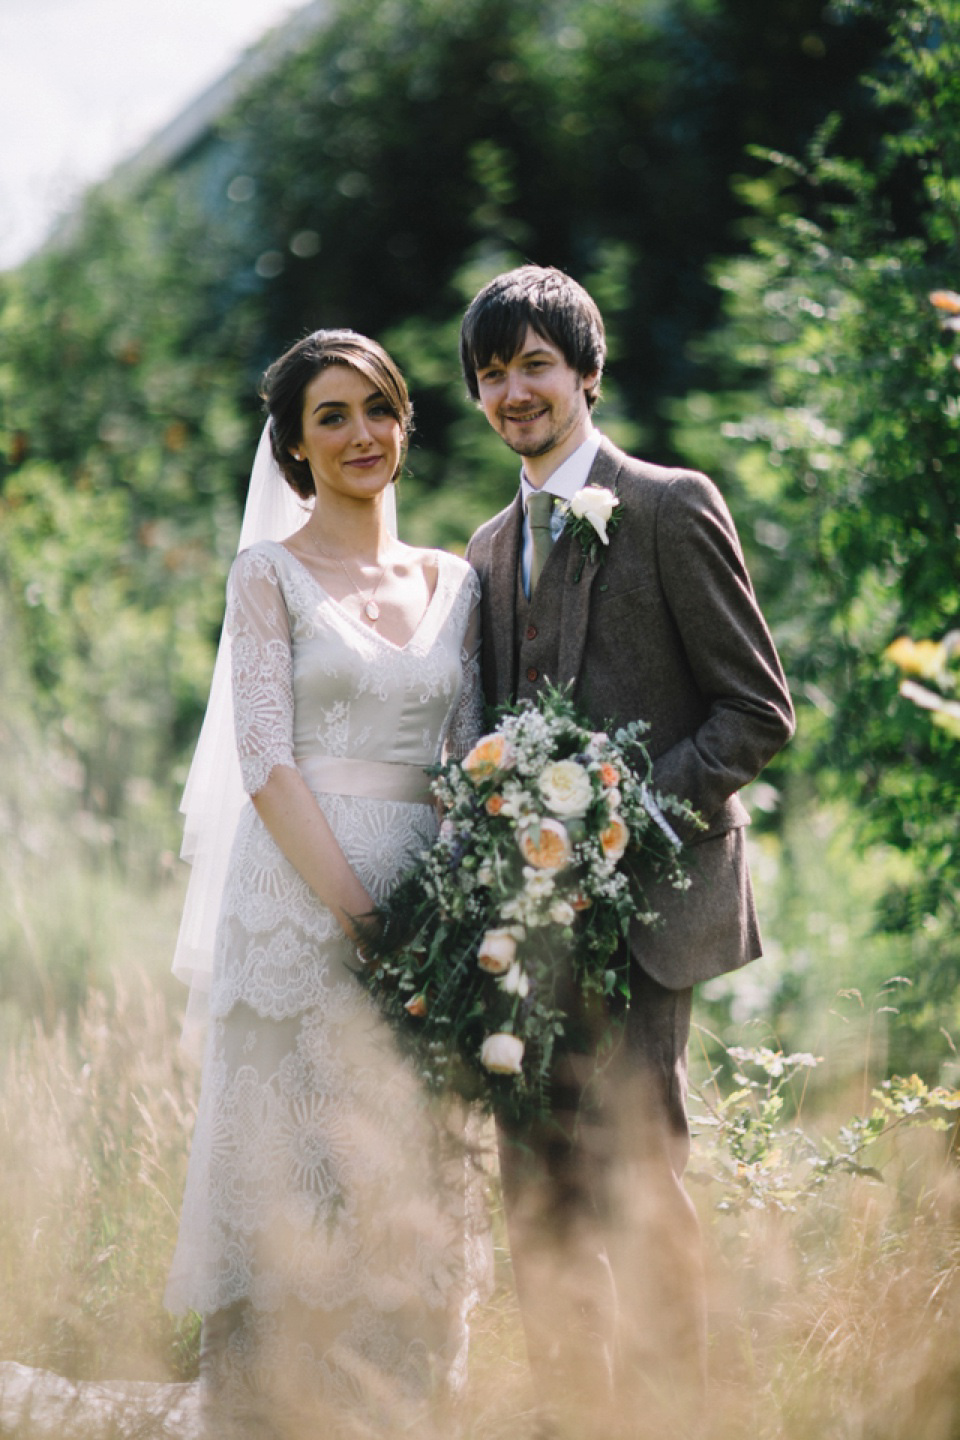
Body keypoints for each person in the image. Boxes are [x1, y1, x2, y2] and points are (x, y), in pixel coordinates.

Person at [461, 266, 795, 1437]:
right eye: (493, 374)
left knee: (639, 1190)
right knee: (536, 1197)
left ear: (587, 373)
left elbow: (758, 712)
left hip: (647, 917)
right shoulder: (489, 546)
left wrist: (626, 820)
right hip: (524, 931)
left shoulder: (666, 502)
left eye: (535, 364)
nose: (515, 392)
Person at [165, 330, 490, 1439]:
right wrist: (363, 916)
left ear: (405, 421)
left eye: (376, 409)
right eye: (331, 418)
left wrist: (450, 921)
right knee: (296, 1182)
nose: (360, 434)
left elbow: (476, 754)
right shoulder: (269, 574)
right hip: (301, 911)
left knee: (408, 1168)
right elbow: (266, 763)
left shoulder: (459, 580)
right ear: (295, 450)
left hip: (435, 913)